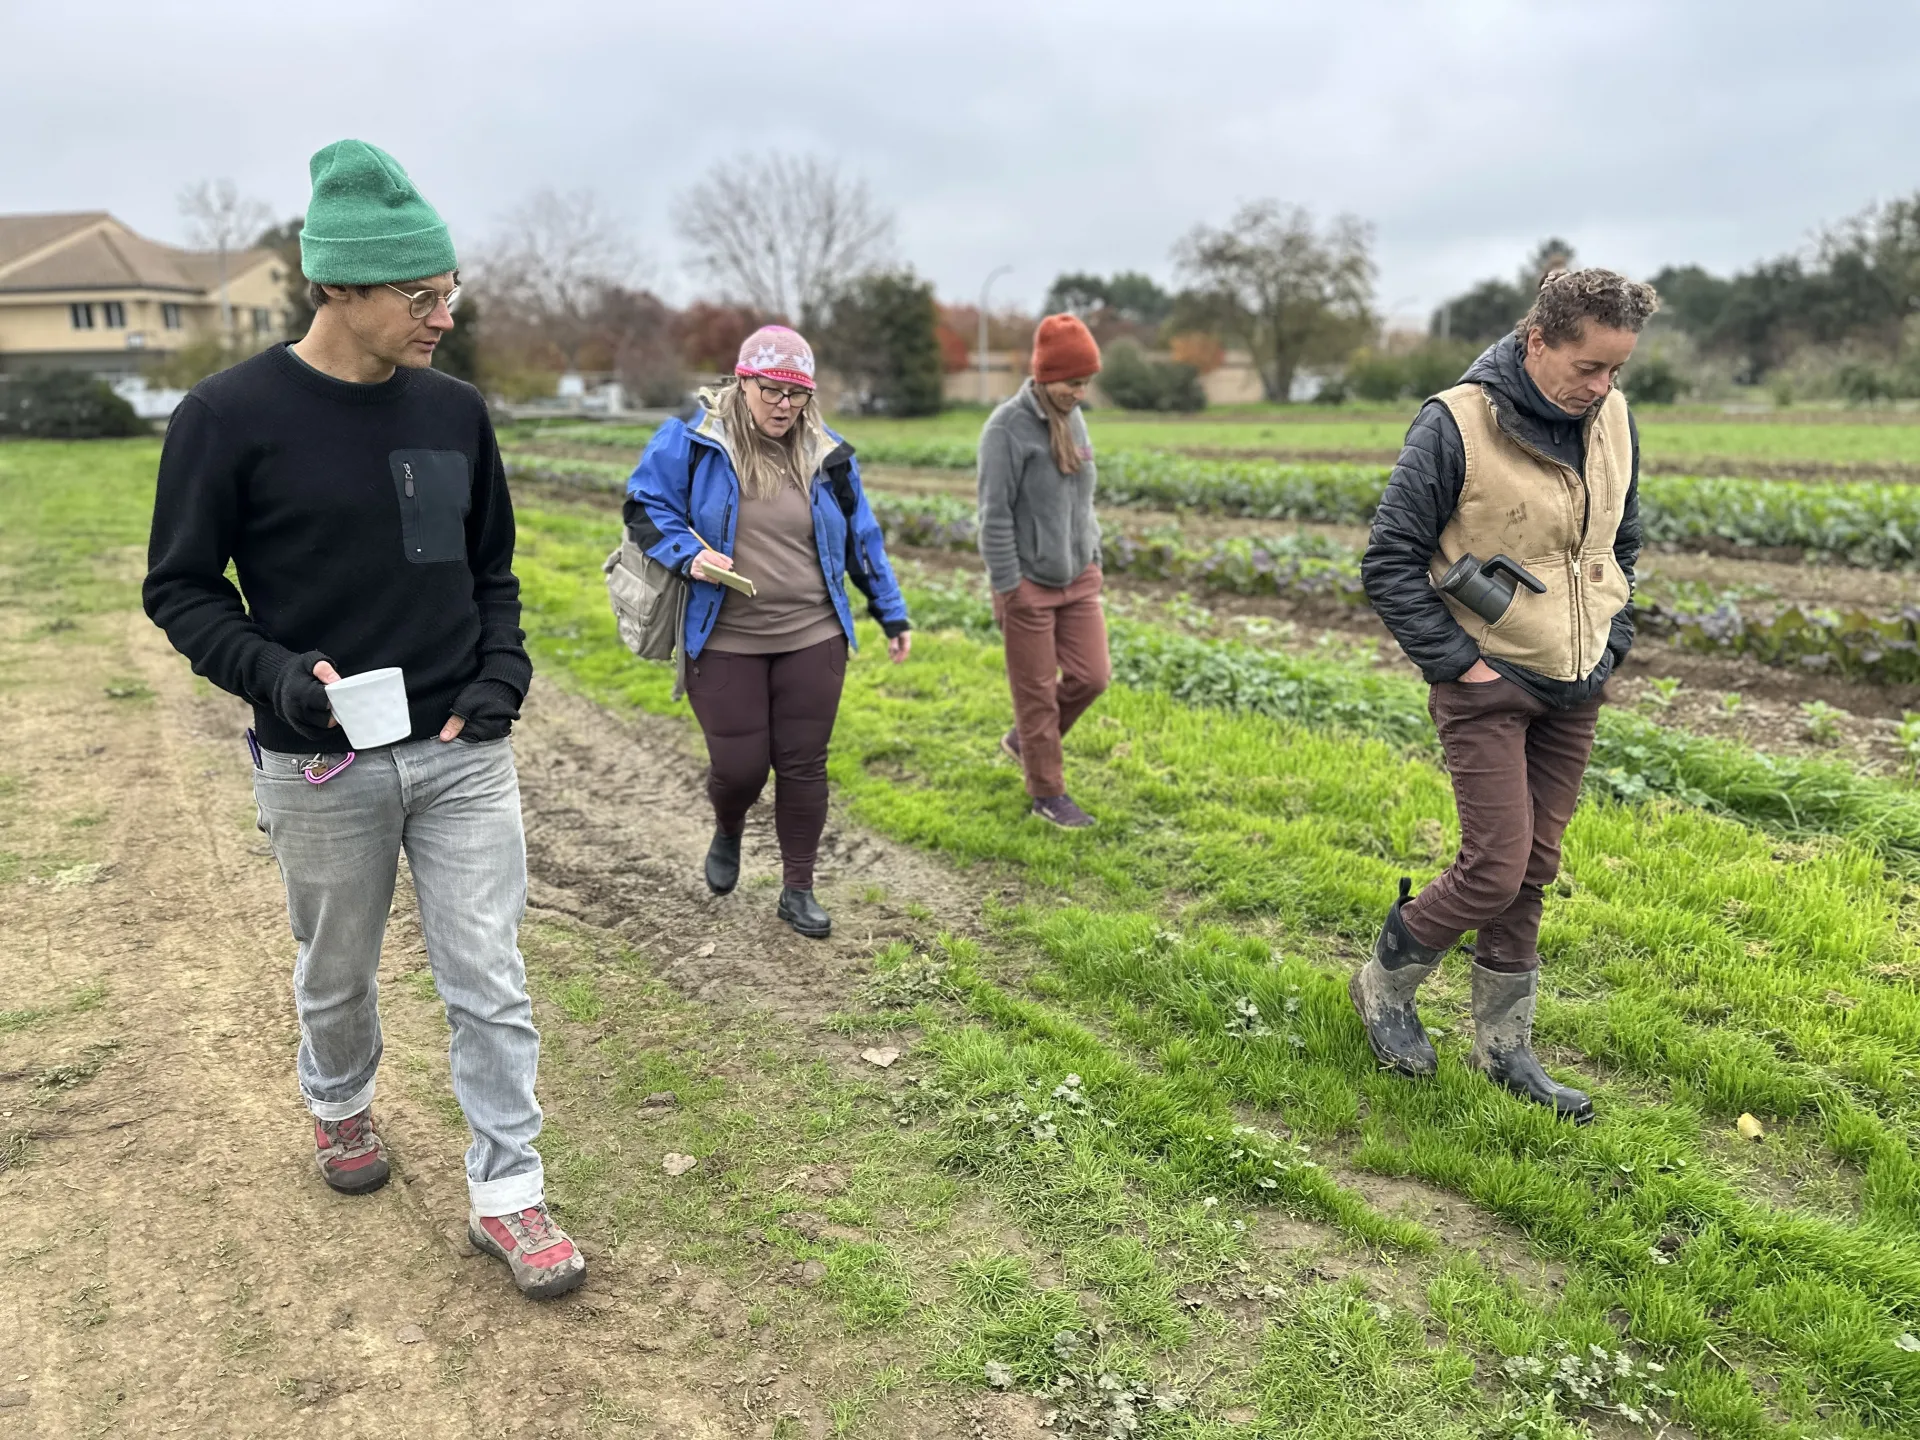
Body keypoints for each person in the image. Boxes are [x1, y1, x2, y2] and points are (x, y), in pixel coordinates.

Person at [143, 139, 584, 1300]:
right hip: (320, 765)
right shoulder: (227, 417)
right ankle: (339, 1106)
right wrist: (276, 677)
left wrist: (499, 683)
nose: (444, 315)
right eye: (420, 295)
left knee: (488, 972)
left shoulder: (455, 411)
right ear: (336, 286)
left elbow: (493, 574)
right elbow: (181, 589)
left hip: (460, 757)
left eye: (451, 291)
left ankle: (510, 1192)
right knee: (336, 968)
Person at [1355, 267, 1659, 1125]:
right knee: (1491, 869)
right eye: (1588, 368)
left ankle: (1505, 1048)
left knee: (1532, 872)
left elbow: (1621, 541)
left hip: (1577, 681)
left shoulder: (1614, 419)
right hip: (1488, 681)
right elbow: (1388, 563)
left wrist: (1612, 636)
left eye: (1617, 372)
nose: (1602, 389)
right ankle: (1382, 989)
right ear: (1537, 342)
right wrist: (1462, 666)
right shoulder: (1454, 423)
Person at [625, 325, 911, 938]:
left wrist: (891, 611)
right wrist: (689, 555)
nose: (783, 405)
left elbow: (862, 538)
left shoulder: (826, 453)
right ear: (743, 381)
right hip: (725, 634)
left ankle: (797, 887)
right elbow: (645, 505)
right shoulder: (693, 439)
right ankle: (729, 826)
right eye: (770, 390)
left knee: (804, 763)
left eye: (796, 394)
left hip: (813, 630)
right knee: (741, 768)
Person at [977, 314, 1112, 828]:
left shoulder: (1074, 418)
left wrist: (1093, 557)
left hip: (1078, 578)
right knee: (1035, 695)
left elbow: (1083, 501)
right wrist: (1010, 587)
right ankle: (1047, 793)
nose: (1080, 392)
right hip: (1028, 584)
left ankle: (1022, 743)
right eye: (1072, 382)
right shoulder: (1005, 430)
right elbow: (993, 516)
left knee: (1092, 677)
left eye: (1086, 382)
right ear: (1044, 375)